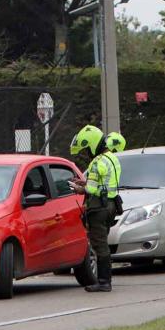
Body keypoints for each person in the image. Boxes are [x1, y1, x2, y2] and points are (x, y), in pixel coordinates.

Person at [69, 125, 122, 292]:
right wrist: (86, 183)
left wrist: (80, 188)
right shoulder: (111, 158)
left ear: (91, 144)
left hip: (98, 207)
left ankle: (104, 281)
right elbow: (104, 183)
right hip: (112, 204)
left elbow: (92, 189)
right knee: (103, 241)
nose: (86, 153)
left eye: (86, 149)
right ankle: (104, 280)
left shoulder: (96, 163)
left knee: (99, 245)